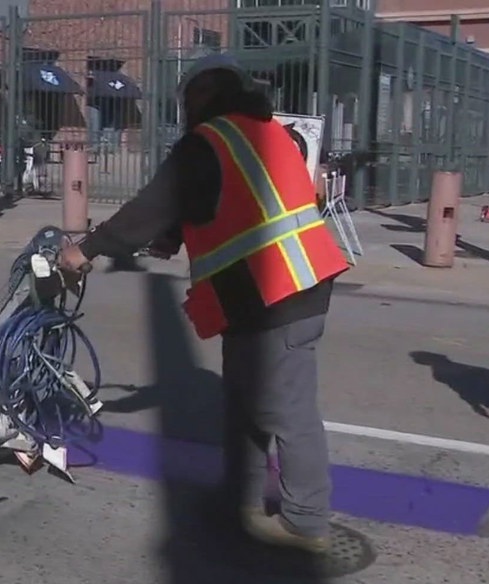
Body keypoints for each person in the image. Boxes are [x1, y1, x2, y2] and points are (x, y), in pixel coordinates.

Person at [58, 53, 350, 554]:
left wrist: (84, 249)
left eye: (187, 98)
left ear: (200, 96)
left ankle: (307, 521)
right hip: (271, 291)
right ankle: (239, 499)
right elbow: (218, 197)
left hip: (279, 291)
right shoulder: (263, 131)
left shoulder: (209, 140)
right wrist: (173, 235)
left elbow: (153, 204)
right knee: (244, 407)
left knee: (285, 411)